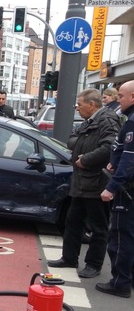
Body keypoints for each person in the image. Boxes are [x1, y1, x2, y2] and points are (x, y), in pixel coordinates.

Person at [46, 89, 120, 278]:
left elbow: (108, 147)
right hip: (80, 182)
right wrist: (81, 145)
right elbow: (71, 140)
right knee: (72, 222)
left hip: (96, 182)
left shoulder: (107, 120)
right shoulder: (89, 121)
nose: (77, 108)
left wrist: (86, 159)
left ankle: (93, 264)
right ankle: (69, 258)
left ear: (91, 105)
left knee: (98, 227)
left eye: (79, 105)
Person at [97, 80, 134, 298]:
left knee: (121, 237)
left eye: (121, 95)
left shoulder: (131, 122)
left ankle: (120, 282)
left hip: (127, 191)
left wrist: (111, 187)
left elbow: (130, 160)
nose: (117, 99)